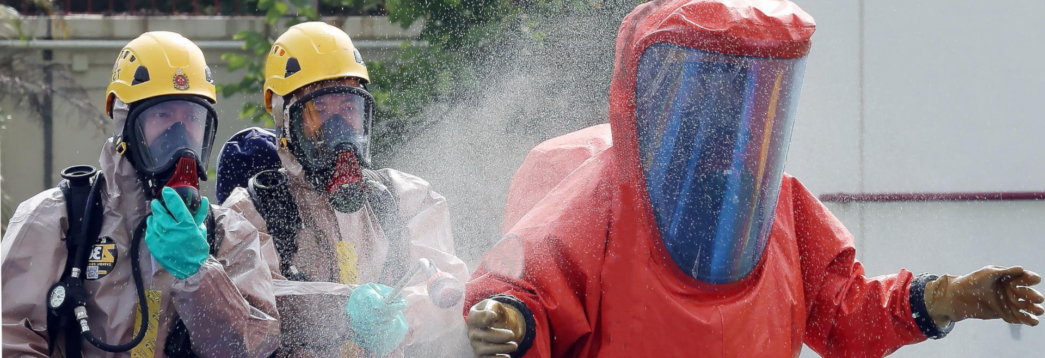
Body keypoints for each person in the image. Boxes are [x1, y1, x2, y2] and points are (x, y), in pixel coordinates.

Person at [463, 1, 1045, 357]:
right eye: (710, 85)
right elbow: (525, 286)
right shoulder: (599, 198)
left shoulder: (780, 208)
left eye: (746, 87)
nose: (727, 109)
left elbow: (844, 315)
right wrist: (504, 318)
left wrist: (952, 297)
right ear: (656, 93)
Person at [1, 32, 280, 357]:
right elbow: (9, 339)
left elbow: (254, 348)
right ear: (125, 126)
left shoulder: (229, 234)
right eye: (162, 115)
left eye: (191, 117)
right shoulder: (56, 219)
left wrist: (200, 274)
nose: (180, 133)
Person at [217, 22, 470, 357]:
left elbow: (450, 290)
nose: (338, 127)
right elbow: (251, 305)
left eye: (349, 108)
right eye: (319, 110)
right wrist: (342, 309)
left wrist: (401, 313)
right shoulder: (250, 211)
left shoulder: (405, 196)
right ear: (283, 114)